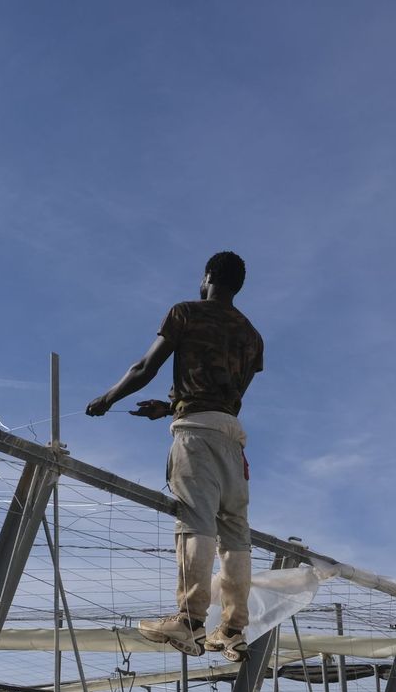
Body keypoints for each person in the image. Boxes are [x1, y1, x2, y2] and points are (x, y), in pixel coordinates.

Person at [86, 252, 264, 663]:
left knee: (196, 521)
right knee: (235, 533)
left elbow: (146, 366)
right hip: (233, 440)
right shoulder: (252, 336)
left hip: (196, 436)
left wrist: (107, 398)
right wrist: (168, 407)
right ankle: (233, 630)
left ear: (206, 278)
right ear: (238, 285)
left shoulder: (185, 312)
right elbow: (230, 395)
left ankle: (189, 620)